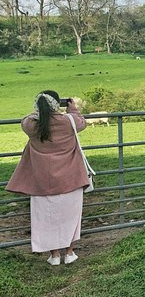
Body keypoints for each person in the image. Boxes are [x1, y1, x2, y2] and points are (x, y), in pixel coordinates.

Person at [5, 91, 89, 266]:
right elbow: (81, 122)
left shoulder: (30, 125)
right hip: (70, 179)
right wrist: (72, 107)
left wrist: (39, 111)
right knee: (70, 216)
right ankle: (69, 252)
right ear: (57, 104)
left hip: (41, 182)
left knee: (46, 218)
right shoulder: (68, 122)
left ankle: (55, 255)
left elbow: (27, 118)